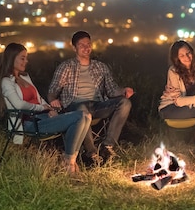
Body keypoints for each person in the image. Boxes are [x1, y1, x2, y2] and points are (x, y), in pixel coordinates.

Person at [0, 42, 92, 175]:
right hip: (30, 123)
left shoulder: (25, 77)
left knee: (87, 116)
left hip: (42, 118)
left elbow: (39, 98)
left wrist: (49, 108)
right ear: (12, 58)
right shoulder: (6, 82)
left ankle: (70, 160)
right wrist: (42, 108)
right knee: (80, 116)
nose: (26, 61)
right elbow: (19, 105)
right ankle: (69, 162)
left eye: (26, 58)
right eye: (22, 58)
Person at [48, 31, 135, 166]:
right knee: (83, 110)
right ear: (74, 48)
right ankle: (92, 153)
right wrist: (53, 99)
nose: (86, 47)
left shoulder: (100, 67)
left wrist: (123, 90)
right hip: (74, 106)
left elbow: (112, 90)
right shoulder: (66, 67)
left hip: (97, 105)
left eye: (88, 44)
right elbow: (52, 90)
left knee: (125, 103)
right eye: (81, 45)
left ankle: (107, 146)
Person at [158, 40, 195, 160]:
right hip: (170, 107)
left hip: (189, 106)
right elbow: (178, 100)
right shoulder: (173, 71)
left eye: (188, 53)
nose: (186, 57)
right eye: (182, 55)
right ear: (177, 58)